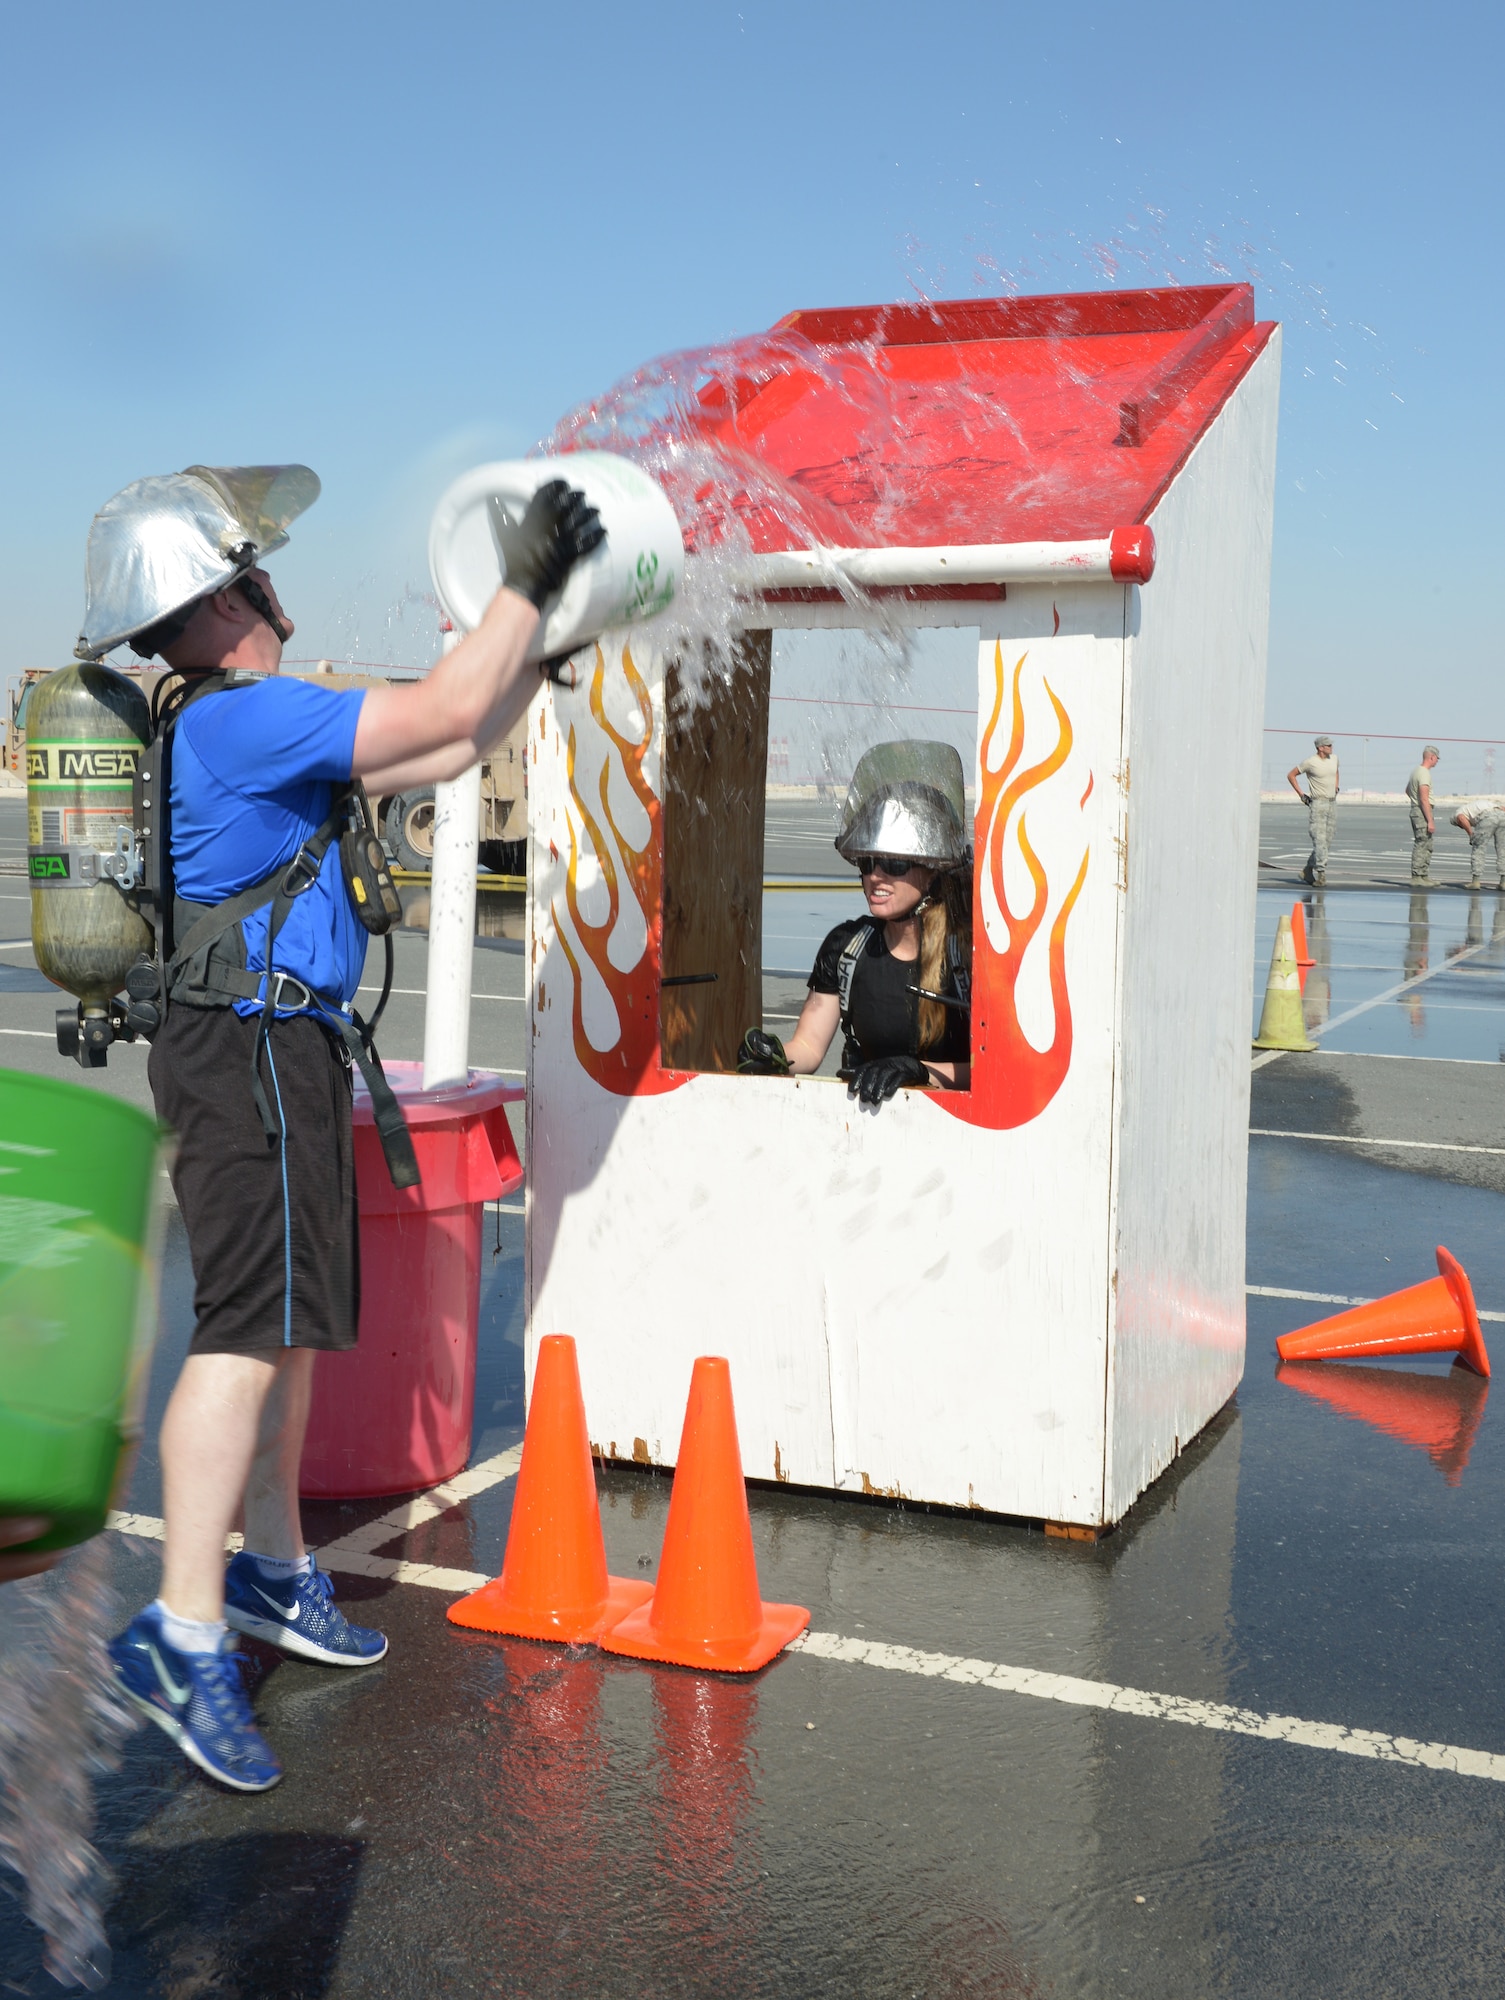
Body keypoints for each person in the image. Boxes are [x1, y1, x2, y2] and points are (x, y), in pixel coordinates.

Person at [76, 463, 602, 1791]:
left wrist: (536, 653)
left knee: (291, 1326)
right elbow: (437, 706)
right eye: (253, 569)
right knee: (248, 1330)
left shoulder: (250, 717)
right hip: (244, 1045)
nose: (275, 584)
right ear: (216, 596)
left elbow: (446, 744)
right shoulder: (242, 719)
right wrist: (525, 587)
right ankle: (181, 1636)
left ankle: (267, 1567)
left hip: (284, 1046)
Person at [738, 741, 971, 1105]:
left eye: (894, 864)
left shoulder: (968, 957)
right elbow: (809, 1046)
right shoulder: (847, 948)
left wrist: (921, 1072)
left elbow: (994, 1067)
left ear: (933, 871)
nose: (875, 877)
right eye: (867, 862)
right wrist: (775, 1055)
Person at [1287, 735, 1339, 886]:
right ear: (1320, 748)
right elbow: (1291, 775)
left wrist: (1336, 786)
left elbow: (1336, 771)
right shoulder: (1310, 762)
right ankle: (1321, 874)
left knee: (1327, 840)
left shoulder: (1334, 759)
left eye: (1331, 745)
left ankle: (1308, 869)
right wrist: (1302, 795)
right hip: (1318, 804)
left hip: (1332, 803)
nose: (1331, 747)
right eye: (1328, 745)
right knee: (1319, 839)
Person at [1452, 799, 1505, 890]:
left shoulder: (1458, 813)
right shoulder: (1480, 805)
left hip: (1487, 817)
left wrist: (1471, 834)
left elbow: (1461, 818)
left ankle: (1475, 882)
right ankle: (1503, 882)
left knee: (1478, 848)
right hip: (1502, 815)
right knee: (1503, 849)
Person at [1405, 745, 1441, 881]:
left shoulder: (1416, 771)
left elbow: (1408, 791)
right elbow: (1424, 798)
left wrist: (1415, 801)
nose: (1437, 761)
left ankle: (1423, 875)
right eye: (1436, 758)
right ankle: (1417, 876)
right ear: (1431, 757)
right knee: (1422, 843)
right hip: (1422, 811)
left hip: (1417, 809)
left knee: (1427, 843)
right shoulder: (1424, 773)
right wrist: (1430, 820)